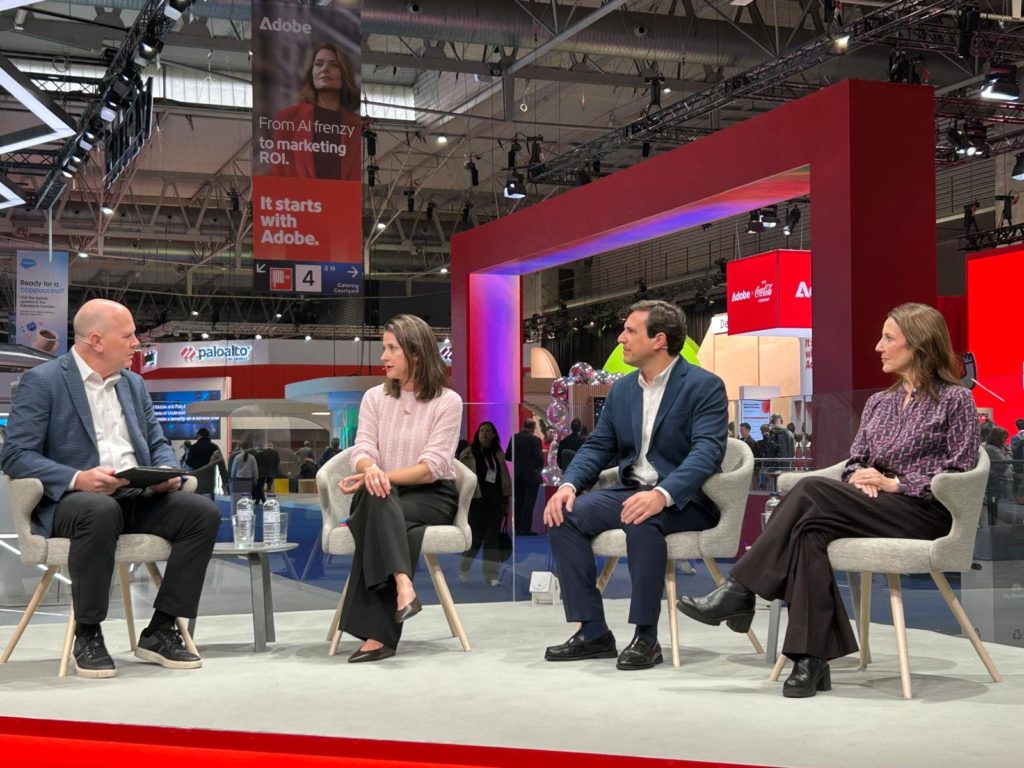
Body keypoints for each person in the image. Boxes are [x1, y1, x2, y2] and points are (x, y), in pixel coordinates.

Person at [677, 303, 979, 698]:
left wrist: (896, 484)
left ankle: (741, 590)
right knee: (808, 534)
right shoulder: (880, 404)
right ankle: (810, 660)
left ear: (919, 344)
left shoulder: (956, 401)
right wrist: (862, 479)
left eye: (888, 338)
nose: (878, 347)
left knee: (808, 490)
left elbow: (959, 471)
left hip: (924, 513)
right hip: (871, 505)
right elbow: (855, 462)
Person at [0, 299, 219, 679]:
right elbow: (15, 455)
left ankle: (161, 629)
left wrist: (166, 469)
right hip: (74, 501)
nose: (138, 342)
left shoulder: (133, 384)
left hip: (135, 493)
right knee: (100, 510)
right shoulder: (44, 382)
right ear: (97, 340)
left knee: (202, 513)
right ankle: (88, 632)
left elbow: (158, 441)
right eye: (129, 335)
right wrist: (76, 477)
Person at [543, 300, 727, 671]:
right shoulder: (623, 390)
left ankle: (646, 636)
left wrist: (662, 494)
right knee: (565, 515)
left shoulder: (704, 386)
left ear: (659, 339)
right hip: (632, 489)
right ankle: (593, 630)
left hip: (685, 499)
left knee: (640, 518)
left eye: (630, 331)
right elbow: (598, 446)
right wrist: (569, 485)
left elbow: (707, 452)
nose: (621, 338)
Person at [335, 314, 462, 662]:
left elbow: (433, 467)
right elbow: (362, 450)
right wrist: (371, 470)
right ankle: (404, 587)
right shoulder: (375, 398)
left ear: (416, 353)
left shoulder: (448, 402)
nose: (383, 357)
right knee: (378, 502)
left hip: (430, 495)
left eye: (392, 348)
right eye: (384, 348)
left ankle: (379, 635)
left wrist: (382, 477)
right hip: (382, 493)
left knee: (376, 508)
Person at [270, 42, 361, 181]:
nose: (325, 69)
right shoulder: (288, 118)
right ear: (311, 73)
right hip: (301, 201)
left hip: (341, 201)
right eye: (319, 64)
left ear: (345, 73)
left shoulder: (357, 125)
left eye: (334, 65)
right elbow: (279, 173)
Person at [458, 422, 511, 586]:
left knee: (492, 540)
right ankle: (464, 567)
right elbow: (460, 478)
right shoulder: (469, 453)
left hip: (495, 502)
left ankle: (491, 575)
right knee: (475, 539)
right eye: (481, 431)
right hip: (476, 501)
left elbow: (504, 477)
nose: (484, 434)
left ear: (494, 434)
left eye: (488, 431)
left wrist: (506, 500)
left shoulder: (497, 453)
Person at [506, 418, 543, 536]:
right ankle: (526, 529)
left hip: (517, 475)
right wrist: (538, 468)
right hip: (531, 476)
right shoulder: (535, 440)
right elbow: (539, 458)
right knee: (529, 503)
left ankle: (517, 529)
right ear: (533, 428)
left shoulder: (514, 438)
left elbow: (508, 456)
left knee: (518, 502)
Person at [983, 426, 1014, 524]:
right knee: (997, 505)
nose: (1005, 440)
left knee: (1000, 505)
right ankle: (995, 526)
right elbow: (1004, 462)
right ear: (998, 437)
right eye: (1004, 437)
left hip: (1001, 480)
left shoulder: (996, 448)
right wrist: (1009, 451)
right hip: (998, 480)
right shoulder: (991, 449)